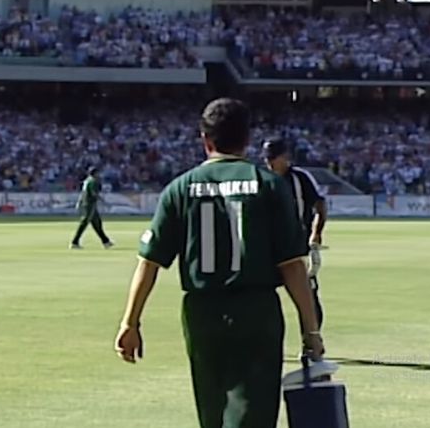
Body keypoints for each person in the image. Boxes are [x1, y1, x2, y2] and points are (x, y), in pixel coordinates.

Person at [114, 98, 324, 428]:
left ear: (205, 139)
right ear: (247, 138)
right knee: (253, 412)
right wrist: (310, 329)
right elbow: (293, 267)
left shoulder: (179, 189)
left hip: (202, 312)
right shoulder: (269, 186)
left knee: (212, 412)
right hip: (257, 311)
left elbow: (149, 262)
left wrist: (131, 322)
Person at [264, 137, 329, 329]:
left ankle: (311, 344)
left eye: (273, 157)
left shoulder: (300, 178)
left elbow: (320, 205)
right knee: (262, 297)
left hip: (299, 247)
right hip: (270, 248)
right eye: (267, 158)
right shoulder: (262, 180)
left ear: (285, 157)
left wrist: (316, 233)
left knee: (307, 297)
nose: (269, 162)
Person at [70, 167, 114, 249]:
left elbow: (83, 192)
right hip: (90, 204)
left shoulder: (87, 180)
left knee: (97, 223)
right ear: (95, 173)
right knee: (84, 223)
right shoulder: (93, 181)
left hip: (87, 203)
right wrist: (103, 201)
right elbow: (94, 194)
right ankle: (74, 242)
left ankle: (106, 241)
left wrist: (79, 202)